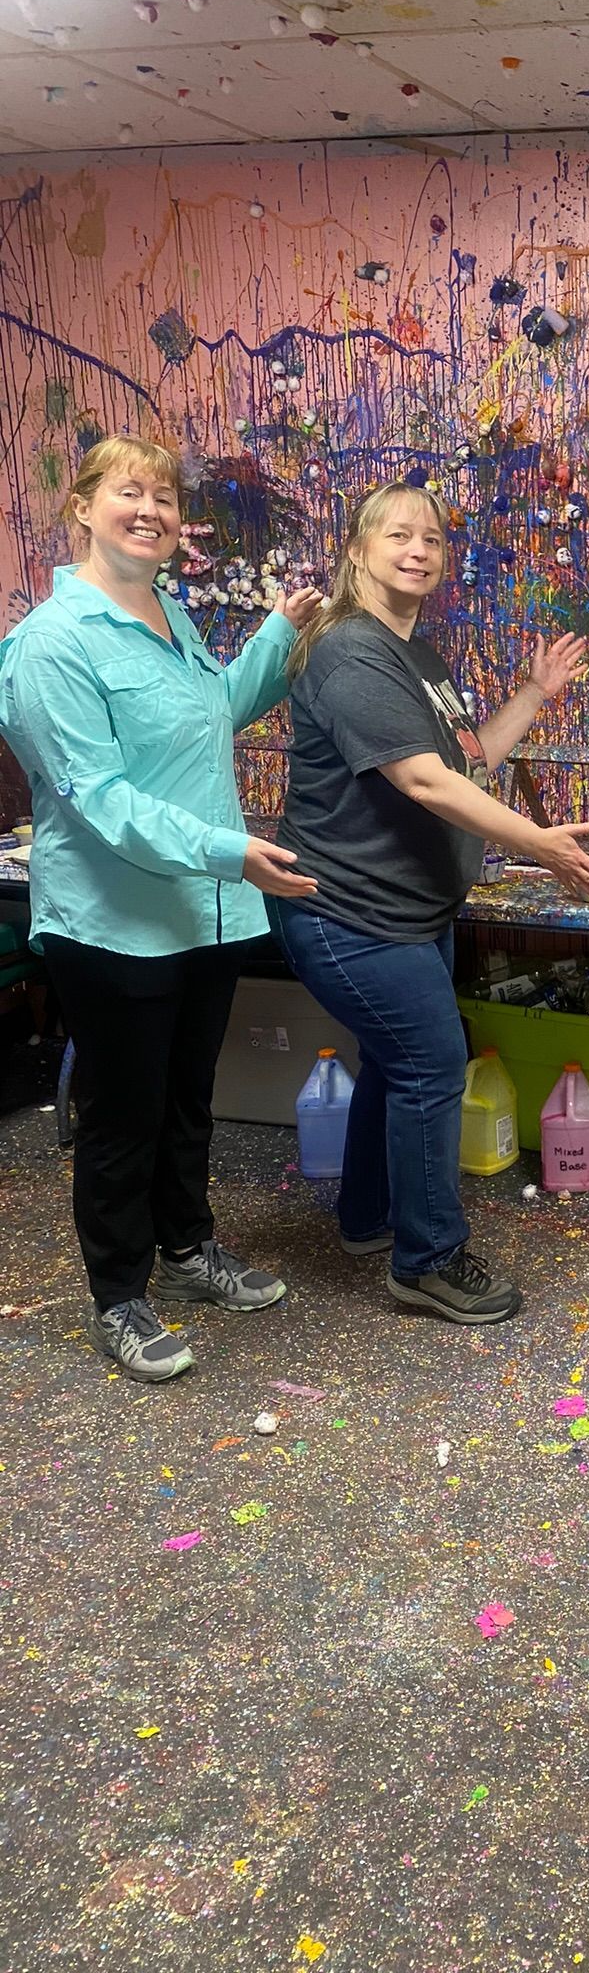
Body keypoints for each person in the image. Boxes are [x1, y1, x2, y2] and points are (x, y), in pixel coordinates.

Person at [0, 436, 323, 1383]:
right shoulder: (50, 644)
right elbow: (96, 797)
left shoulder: (170, 614)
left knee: (187, 1099)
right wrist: (232, 851)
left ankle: (187, 1250)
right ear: (84, 508)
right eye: (129, 492)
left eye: (166, 498)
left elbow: (212, 713)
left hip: (206, 912)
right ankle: (119, 1296)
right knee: (121, 1113)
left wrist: (274, 635)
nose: (152, 509)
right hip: (116, 922)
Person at [274, 481, 589, 1327]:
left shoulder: (418, 658)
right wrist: (539, 842)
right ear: (358, 551)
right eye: (398, 535)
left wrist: (533, 694)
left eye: (431, 538)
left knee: (399, 1064)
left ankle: (367, 1221)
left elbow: (465, 762)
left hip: (408, 911)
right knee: (429, 1063)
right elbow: (420, 781)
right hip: (348, 913)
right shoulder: (350, 650)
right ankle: (425, 1262)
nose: (418, 549)